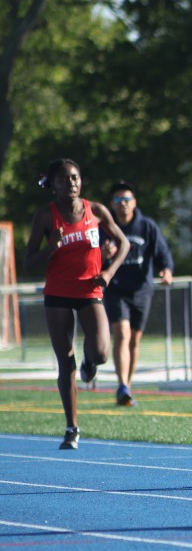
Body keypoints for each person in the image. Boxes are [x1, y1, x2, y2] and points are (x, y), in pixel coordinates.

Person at [23, 158, 130, 450]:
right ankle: (72, 428)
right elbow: (29, 262)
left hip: (89, 290)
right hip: (58, 293)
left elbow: (124, 244)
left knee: (102, 353)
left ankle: (89, 362)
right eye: (64, 179)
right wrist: (51, 246)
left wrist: (108, 272)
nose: (71, 183)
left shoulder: (96, 211)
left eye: (75, 178)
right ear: (53, 185)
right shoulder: (45, 217)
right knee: (64, 360)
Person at [99, 180, 174, 406]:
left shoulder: (147, 226)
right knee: (121, 333)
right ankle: (122, 384)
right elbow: (92, 258)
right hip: (116, 289)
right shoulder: (105, 228)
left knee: (134, 339)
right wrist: (103, 254)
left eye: (126, 199)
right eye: (118, 200)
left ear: (134, 202)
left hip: (141, 290)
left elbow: (163, 253)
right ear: (112, 204)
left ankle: (127, 388)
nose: (123, 204)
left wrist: (167, 270)